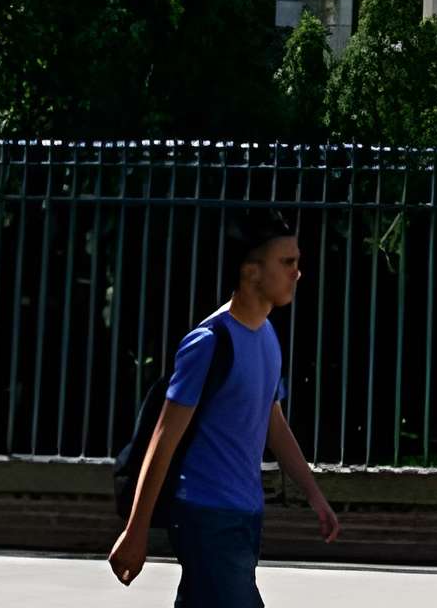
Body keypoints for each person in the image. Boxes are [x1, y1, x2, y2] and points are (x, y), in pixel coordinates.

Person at [108, 214, 339, 606]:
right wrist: (136, 530)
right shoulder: (210, 342)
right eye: (286, 263)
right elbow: (163, 441)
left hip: (246, 516)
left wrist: (314, 494)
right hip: (206, 516)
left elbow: (274, 425)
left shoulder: (267, 336)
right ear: (251, 272)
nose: (297, 273)